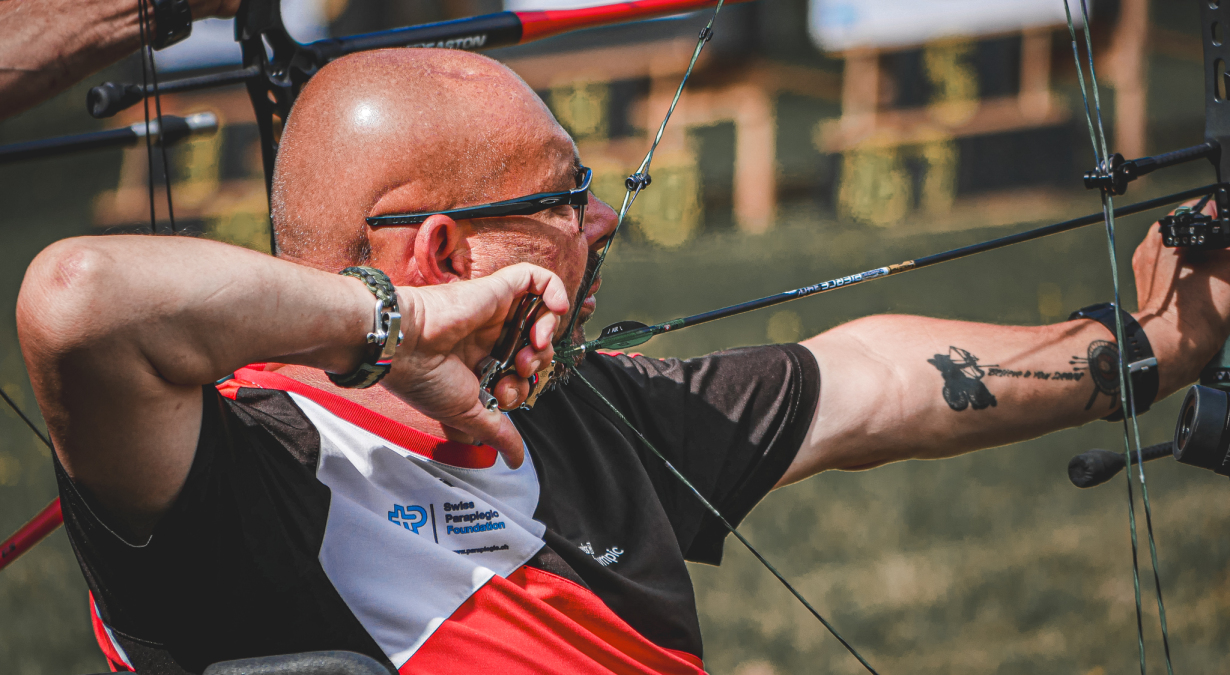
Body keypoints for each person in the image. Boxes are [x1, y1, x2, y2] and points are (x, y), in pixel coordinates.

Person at [16, 48, 1230, 674]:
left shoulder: (588, 419)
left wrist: (1159, 342)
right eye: (568, 193)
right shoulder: (233, 469)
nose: (603, 224)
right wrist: (404, 325)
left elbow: (874, 381)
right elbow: (79, 304)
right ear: (442, 249)